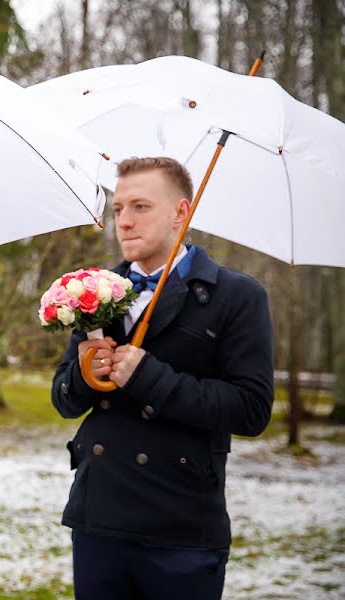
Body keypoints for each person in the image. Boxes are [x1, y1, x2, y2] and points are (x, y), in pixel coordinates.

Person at [51, 157, 274, 600]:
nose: (125, 222)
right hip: (99, 517)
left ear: (181, 212)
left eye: (140, 207)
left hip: (182, 526)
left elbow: (251, 410)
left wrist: (149, 377)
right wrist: (85, 375)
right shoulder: (92, 289)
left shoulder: (238, 295)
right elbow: (63, 400)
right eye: (118, 210)